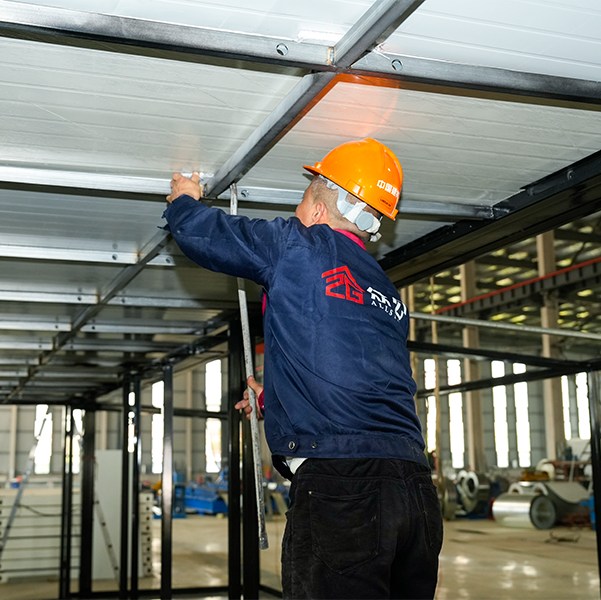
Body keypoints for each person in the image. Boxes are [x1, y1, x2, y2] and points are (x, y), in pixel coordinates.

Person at [163, 138, 442, 599]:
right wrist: (272, 399)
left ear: (316, 207)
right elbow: (353, 374)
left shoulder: (299, 244)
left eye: (299, 202)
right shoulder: (386, 293)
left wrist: (185, 201)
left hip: (344, 491)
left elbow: (209, 236)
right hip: (415, 491)